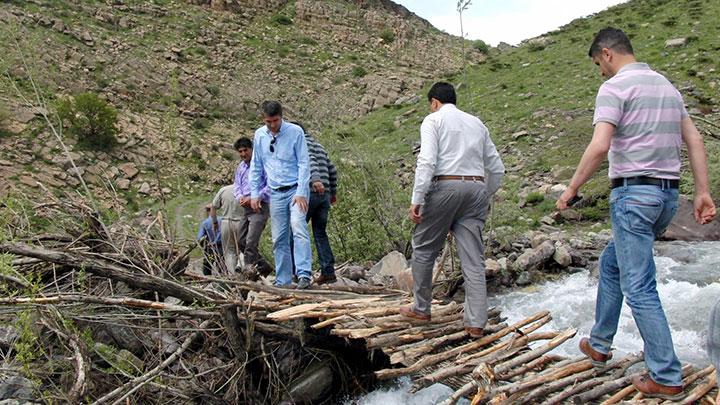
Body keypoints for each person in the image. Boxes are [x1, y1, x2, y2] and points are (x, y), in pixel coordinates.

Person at [556, 27, 716, 400]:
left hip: (633, 196)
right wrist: (703, 192)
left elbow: (599, 146)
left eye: (599, 64)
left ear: (608, 54)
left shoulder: (614, 88)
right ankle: (599, 343)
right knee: (613, 263)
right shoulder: (666, 86)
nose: (600, 72)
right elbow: (694, 139)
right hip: (667, 198)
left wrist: (572, 188)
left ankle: (665, 374)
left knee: (639, 285)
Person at [399, 82, 505, 339]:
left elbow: (427, 161)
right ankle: (476, 323)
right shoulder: (477, 124)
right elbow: (498, 168)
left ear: (434, 102)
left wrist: (418, 199)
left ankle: (421, 308)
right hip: (476, 187)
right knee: (473, 260)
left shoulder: (433, 121)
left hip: (445, 186)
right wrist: (483, 193)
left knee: (424, 248)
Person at [249, 101, 313, 289]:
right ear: (264, 119)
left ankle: (304, 274)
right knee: (279, 236)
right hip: (275, 192)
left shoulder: (295, 132)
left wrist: (302, 192)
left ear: (281, 117)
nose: (272, 125)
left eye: (275, 121)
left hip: (296, 189)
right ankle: (283, 279)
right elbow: (256, 165)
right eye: (268, 121)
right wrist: (255, 194)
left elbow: (303, 163)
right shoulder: (260, 135)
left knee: (298, 226)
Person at [291, 122, 338, 285]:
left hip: (310, 191)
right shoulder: (319, 146)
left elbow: (309, 162)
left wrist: (315, 180)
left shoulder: (302, 143)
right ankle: (328, 271)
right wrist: (332, 193)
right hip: (324, 195)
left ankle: (297, 272)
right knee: (320, 233)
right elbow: (332, 170)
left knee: (296, 230)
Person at [233, 137, 272, 279]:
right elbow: (237, 186)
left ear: (252, 149)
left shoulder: (261, 164)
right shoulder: (241, 167)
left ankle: (248, 271)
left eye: (245, 150)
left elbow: (270, 185)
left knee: (251, 241)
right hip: (246, 208)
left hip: (259, 207)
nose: (243, 154)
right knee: (241, 240)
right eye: (240, 151)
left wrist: (256, 197)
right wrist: (240, 198)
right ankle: (262, 265)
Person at [210, 185, 247, 276]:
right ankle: (240, 265)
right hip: (242, 222)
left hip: (226, 222)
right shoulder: (246, 189)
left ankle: (232, 275)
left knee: (229, 251)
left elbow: (213, 207)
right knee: (245, 248)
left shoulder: (224, 190)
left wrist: (215, 222)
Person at [196, 204, 222, 276]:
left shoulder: (205, 223)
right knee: (222, 264)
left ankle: (207, 280)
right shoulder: (222, 220)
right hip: (222, 247)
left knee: (207, 265)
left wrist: (203, 246)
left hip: (210, 249)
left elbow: (199, 238)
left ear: (207, 211)